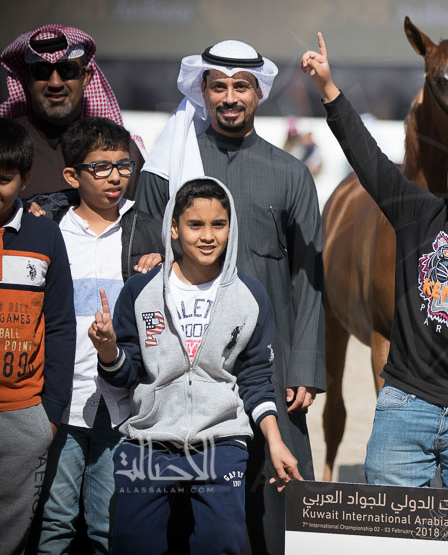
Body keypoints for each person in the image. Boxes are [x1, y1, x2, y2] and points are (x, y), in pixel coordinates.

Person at [302, 33, 448, 498]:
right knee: (390, 528)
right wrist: (329, 90)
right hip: (404, 411)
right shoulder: (420, 217)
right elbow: (368, 161)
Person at [135, 40, 324, 554]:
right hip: (187, 360)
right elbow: (143, 249)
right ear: (203, 91)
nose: (230, 97)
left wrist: (305, 366)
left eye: (241, 86)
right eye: (218, 87)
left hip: (272, 362)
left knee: (279, 486)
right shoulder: (175, 163)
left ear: (258, 93)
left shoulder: (290, 173)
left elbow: (308, 278)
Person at [93, 177, 302, 554]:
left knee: (221, 543)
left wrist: (275, 441)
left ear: (230, 228)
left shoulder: (250, 296)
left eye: (218, 224)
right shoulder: (140, 292)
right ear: (174, 228)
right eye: (195, 225)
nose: (208, 236)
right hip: (149, 443)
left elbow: (255, 378)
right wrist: (109, 351)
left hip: (221, 443)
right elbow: (126, 374)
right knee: (133, 545)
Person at [32, 117, 163, 554]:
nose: (115, 177)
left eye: (123, 166)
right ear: (72, 176)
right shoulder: (50, 228)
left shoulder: (146, 228)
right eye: (100, 167)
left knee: (109, 524)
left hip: (120, 401)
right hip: (61, 400)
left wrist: (161, 262)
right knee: (55, 521)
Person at [0, 118, 75, 555]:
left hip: (24, 418)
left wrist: (48, 415)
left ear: (24, 180)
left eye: (3, 179)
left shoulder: (44, 234)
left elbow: (61, 324)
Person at [0, 24, 145, 209]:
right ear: (27, 78)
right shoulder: (5, 145)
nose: (55, 83)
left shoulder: (124, 151)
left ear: (85, 77)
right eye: (42, 71)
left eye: (67, 70)